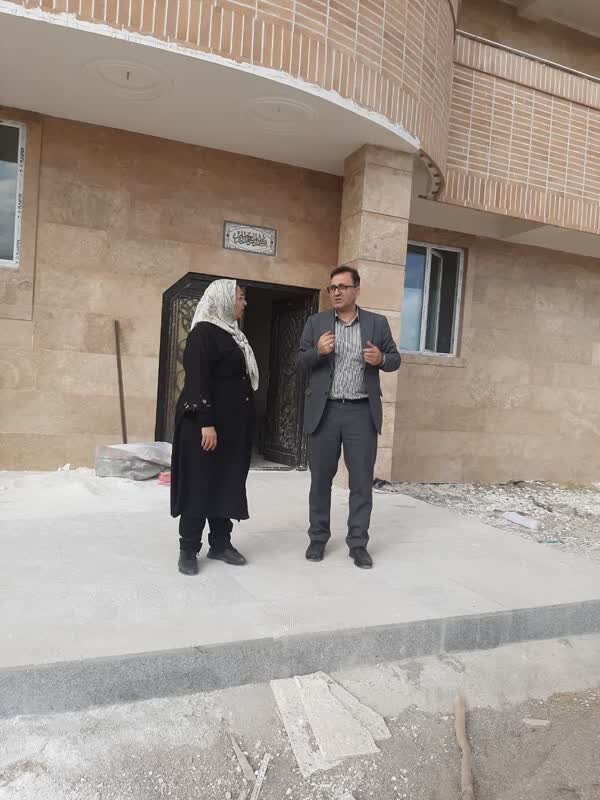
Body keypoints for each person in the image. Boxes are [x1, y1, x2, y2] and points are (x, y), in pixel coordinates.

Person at [297, 265, 401, 569]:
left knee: (361, 482)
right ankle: (318, 539)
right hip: (325, 412)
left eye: (342, 287)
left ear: (356, 290)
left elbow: (395, 359)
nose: (336, 292)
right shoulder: (316, 323)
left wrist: (381, 359)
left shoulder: (376, 324)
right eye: (332, 287)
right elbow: (300, 361)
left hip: (361, 412)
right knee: (320, 480)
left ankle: (358, 544)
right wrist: (317, 351)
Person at [170, 279, 259, 576]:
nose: (244, 303)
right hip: (203, 426)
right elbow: (197, 380)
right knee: (199, 484)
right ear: (222, 300)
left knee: (226, 482)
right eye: (240, 297)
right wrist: (206, 423)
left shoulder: (233, 335)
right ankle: (188, 549)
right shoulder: (203, 334)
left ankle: (220, 543)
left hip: (231, 427)